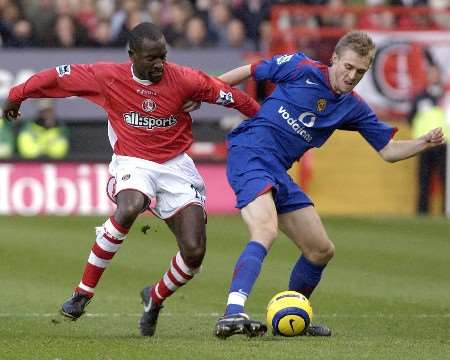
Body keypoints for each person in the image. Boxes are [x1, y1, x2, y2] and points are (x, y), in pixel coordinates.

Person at [2, 22, 259, 337]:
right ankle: (83, 292)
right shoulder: (108, 77)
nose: (159, 64)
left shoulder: (186, 80)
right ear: (132, 56)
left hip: (176, 166)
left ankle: (154, 298)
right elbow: (56, 76)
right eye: (151, 58)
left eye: (163, 56)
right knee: (129, 206)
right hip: (132, 161)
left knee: (193, 252)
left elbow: (234, 98)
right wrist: (16, 96)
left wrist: (263, 124)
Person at [213, 31, 445, 339]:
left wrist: (423, 143)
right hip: (250, 153)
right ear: (334, 59)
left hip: (279, 171)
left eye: (360, 72)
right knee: (265, 231)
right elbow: (251, 71)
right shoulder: (300, 67)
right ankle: (232, 313)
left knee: (320, 250)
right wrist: (205, 91)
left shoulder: (353, 107)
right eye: (348, 67)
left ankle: (292, 312)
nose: (352, 76)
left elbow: (388, 152)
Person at [407, 63, 447, 215]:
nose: (433, 76)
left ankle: (446, 212)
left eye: (436, 73)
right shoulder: (420, 97)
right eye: (431, 73)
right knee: (424, 179)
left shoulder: (446, 96)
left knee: (445, 180)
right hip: (424, 143)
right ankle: (422, 213)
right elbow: (411, 117)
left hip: (444, 144)